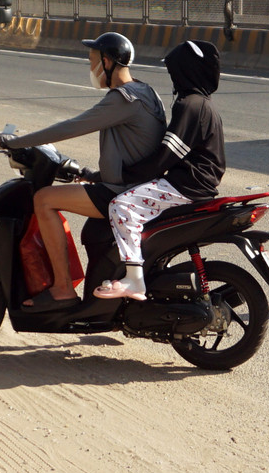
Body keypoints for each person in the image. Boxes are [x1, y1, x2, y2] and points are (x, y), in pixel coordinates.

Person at [0, 32, 165, 312]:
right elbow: (132, 148)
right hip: (138, 186)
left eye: (92, 60)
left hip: (122, 192)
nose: (91, 68)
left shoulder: (122, 98)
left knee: (44, 199)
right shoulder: (146, 91)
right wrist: (94, 174)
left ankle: (62, 288)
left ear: (107, 62)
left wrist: (13, 141)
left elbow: (71, 127)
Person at [94, 40, 226, 301]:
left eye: (174, 71)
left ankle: (134, 280)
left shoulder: (190, 105)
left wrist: (125, 176)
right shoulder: (202, 103)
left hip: (187, 186)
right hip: (195, 184)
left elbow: (164, 157)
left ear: (185, 71)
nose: (172, 77)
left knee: (121, 207)